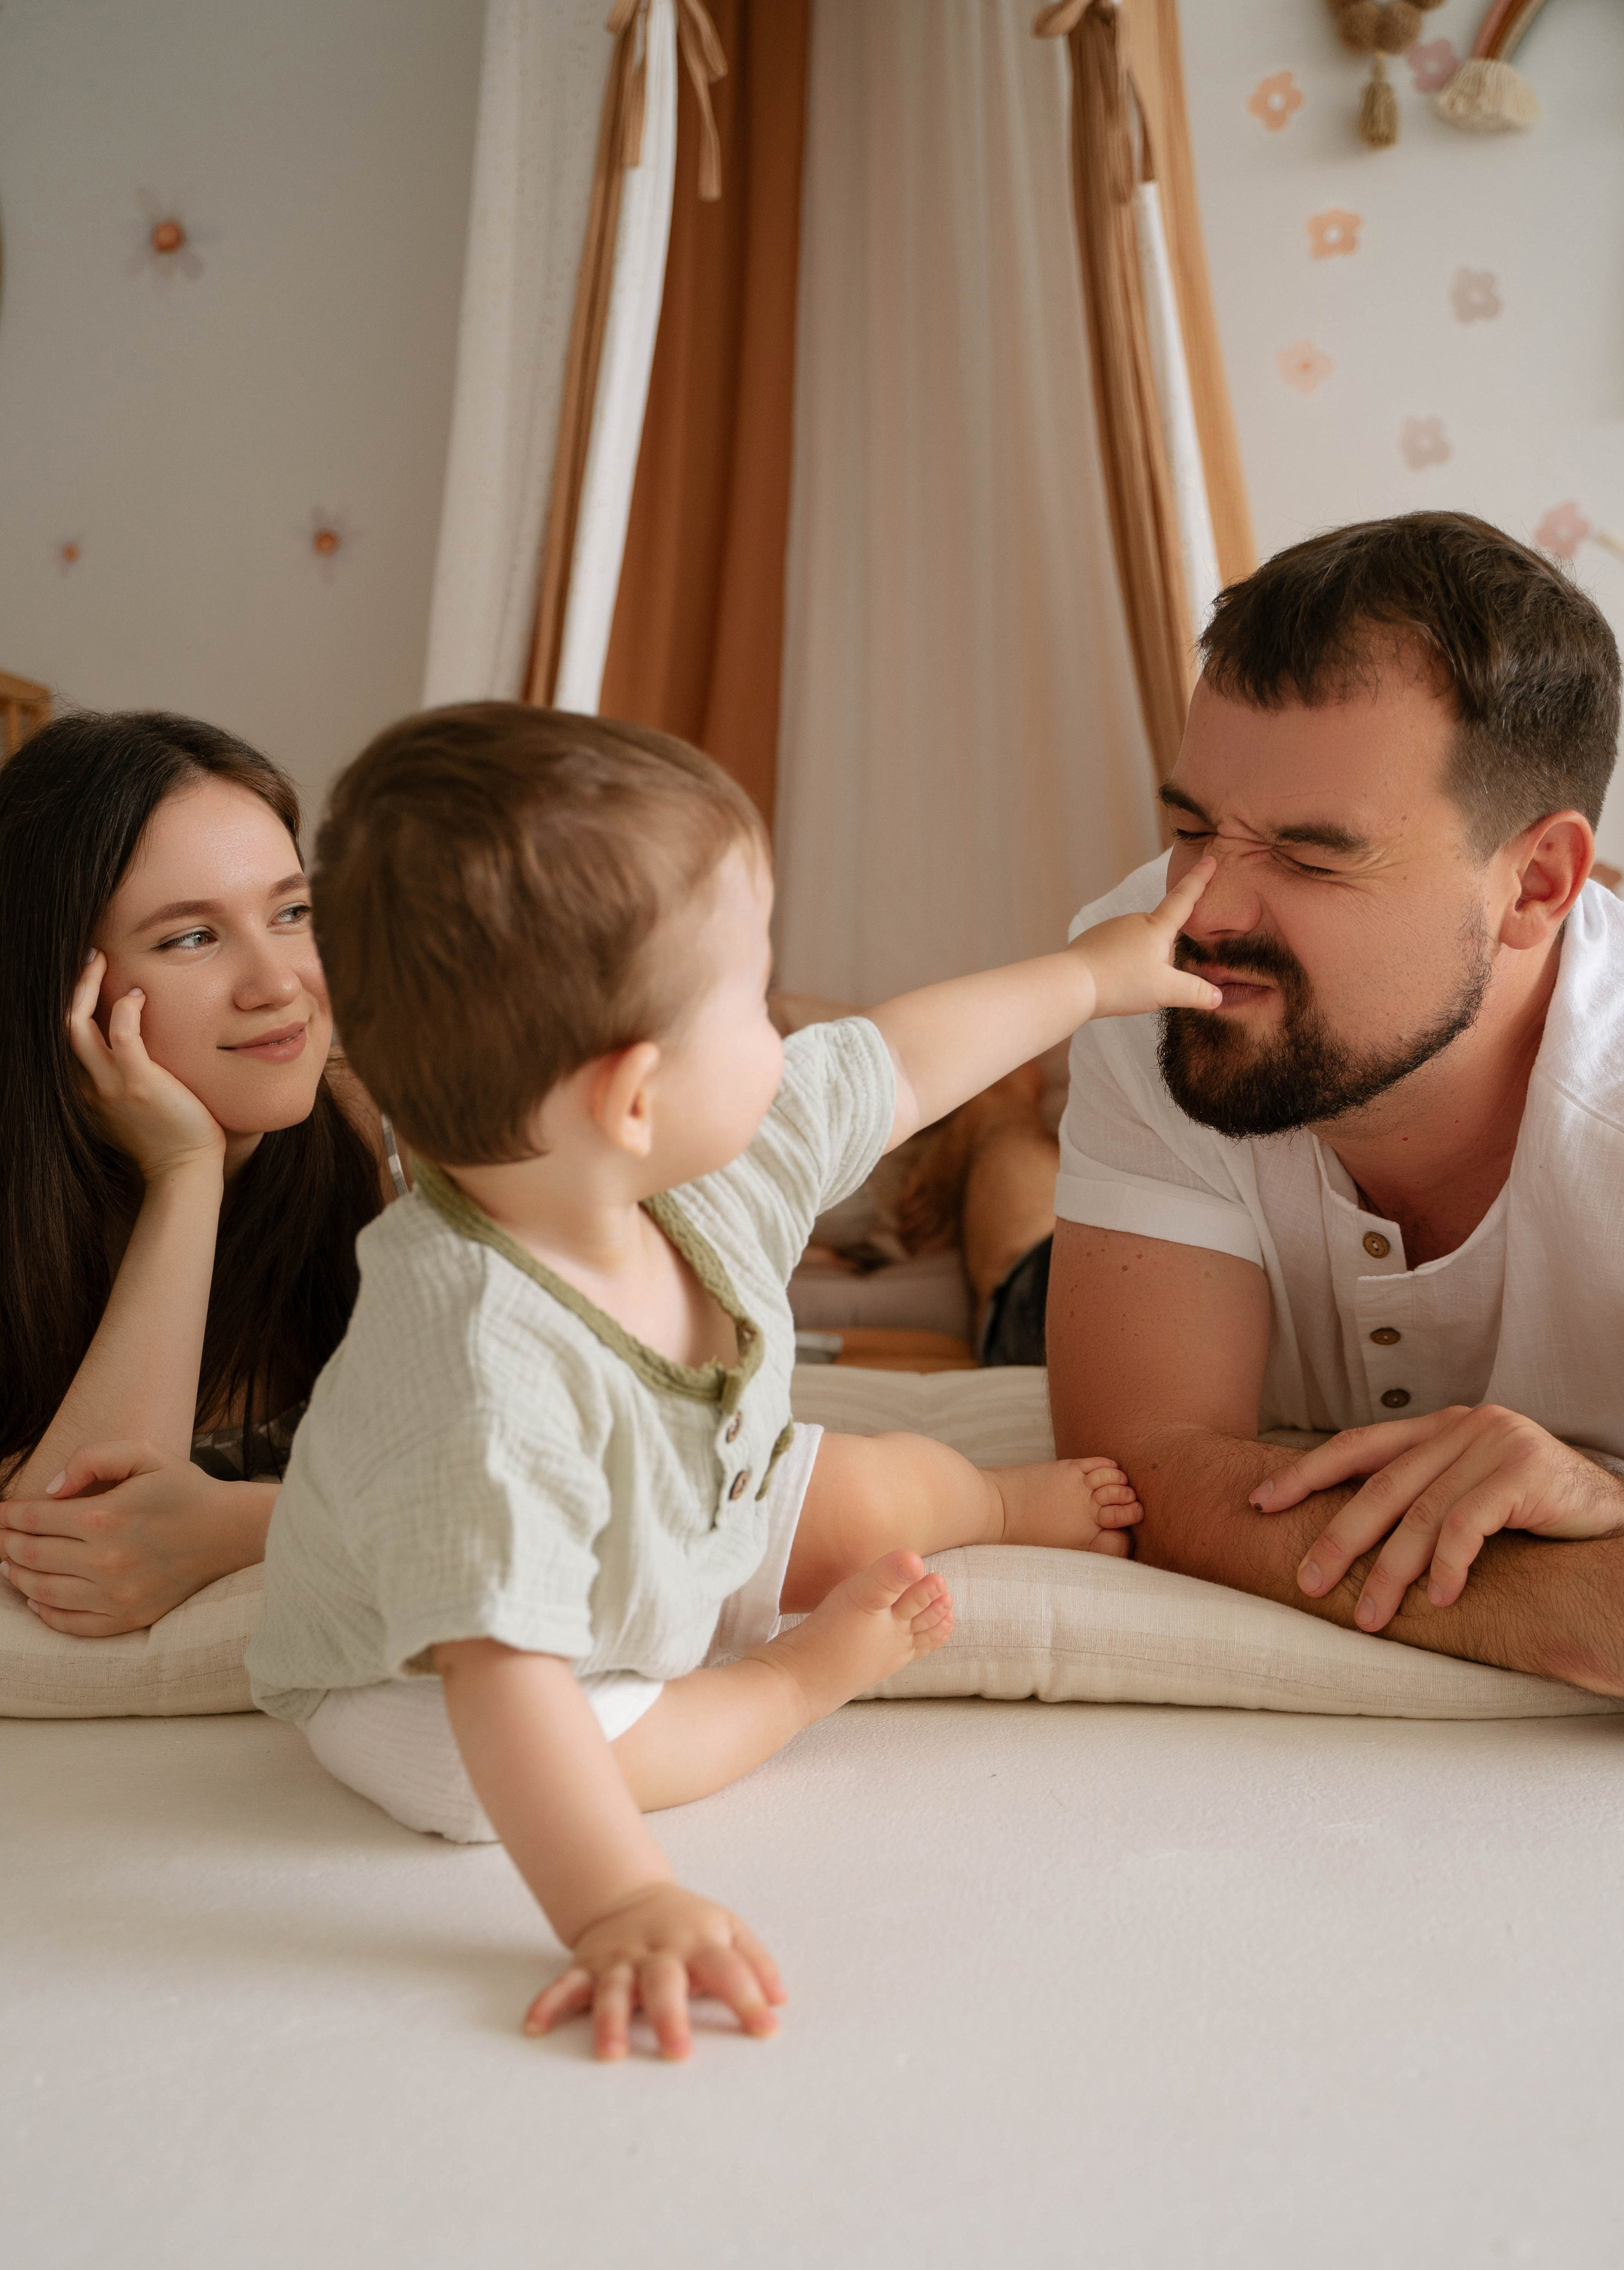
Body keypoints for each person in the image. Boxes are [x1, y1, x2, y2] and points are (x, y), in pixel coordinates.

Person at [247, 703, 1220, 2061]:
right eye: (756, 1002)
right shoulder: (480, 1367)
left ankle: (992, 1504)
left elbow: (894, 1063)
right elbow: (509, 1681)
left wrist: (1092, 978)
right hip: (442, 1672)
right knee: (592, 1753)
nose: (785, 1032)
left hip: (672, 1522)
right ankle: (795, 1684)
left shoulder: (701, 1164)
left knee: (886, 1478)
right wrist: (617, 1904)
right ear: (632, 1096)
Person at [1045, 511, 1624, 1696]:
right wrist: (1571, 1605)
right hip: (1143, 1253)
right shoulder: (1152, 968)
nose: (1205, 912)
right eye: (1194, 829)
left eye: (1312, 860)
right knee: (1008, 1279)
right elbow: (1138, 1466)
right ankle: (1005, 1172)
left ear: (1539, 882)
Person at [0, 712, 388, 1632]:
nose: (278, 984)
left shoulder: (377, 1137)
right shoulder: (25, 1206)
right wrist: (184, 1173)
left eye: (292, 914)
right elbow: (71, 1554)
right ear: (68, 987)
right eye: (191, 939)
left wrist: (242, 1524)